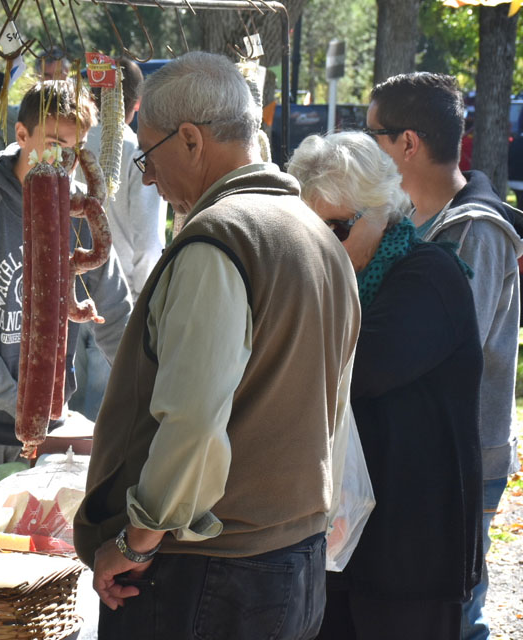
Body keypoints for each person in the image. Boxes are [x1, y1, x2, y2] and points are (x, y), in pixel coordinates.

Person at [73, 52, 360, 640]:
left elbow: (195, 418)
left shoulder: (219, 239)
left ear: (191, 140)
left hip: (211, 575)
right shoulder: (318, 235)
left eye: (147, 156)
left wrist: (135, 540)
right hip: (289, 557)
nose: (147, 178)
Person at [288, 131, 485, 640]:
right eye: (310, 229)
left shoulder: (430, 275)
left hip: (412, 555)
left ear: (380, 210)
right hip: (340, 549)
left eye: (337, 227)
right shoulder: (331, 283)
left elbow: (356, 372)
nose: (322, 243)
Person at [365, 72, 523, 640]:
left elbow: (441, 350)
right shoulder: (409, 220)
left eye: (372, 135)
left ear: (408, 143)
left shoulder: (475, 230)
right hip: (413, 453)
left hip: (462, 460)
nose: (365, 148)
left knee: (455, 613)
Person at [0, 80, 133, 511]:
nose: (65, 160)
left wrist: (145, 387)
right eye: (55, 144)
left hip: (46, 427)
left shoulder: (76, 208)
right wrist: (24, 410)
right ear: (22, 136)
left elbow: (115, 312)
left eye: (74, 150)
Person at [71, 57, 167, 420]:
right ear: (136, 104)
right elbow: (146, 241)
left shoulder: (69, 145)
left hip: (70, 288)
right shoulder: (137, 153)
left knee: (68, 407)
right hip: (120, 295)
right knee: (103, 416)